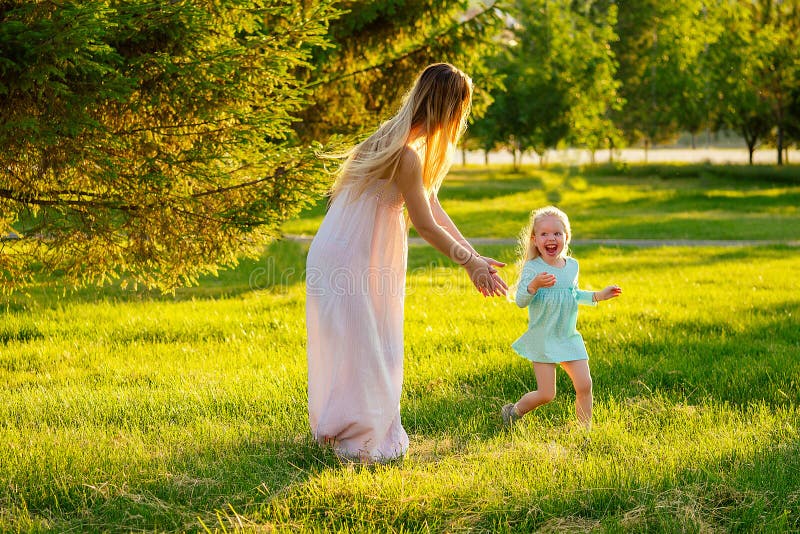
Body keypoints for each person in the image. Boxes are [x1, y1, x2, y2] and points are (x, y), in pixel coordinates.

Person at [306, 63, 508, 463]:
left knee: (361, 345)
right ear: (449, 110)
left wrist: (475, 256)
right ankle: (360, 441)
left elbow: (432, 205)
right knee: (368, 347)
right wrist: (469, 265)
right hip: (353, 258)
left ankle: (341, 431)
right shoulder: (405, 154)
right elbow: (425, 226)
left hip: (342, 252)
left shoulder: (392, 138)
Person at [501, 206, 621, 429]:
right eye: (544, 234)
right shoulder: (532, 267)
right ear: (535, 240)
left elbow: (573, 294)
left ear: (566, 237)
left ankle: (584, 433)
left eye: (557, 233)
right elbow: (520, 301)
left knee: (585, 385)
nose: (551, 238)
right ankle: (513, 411)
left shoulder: (572, 266)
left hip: (567, 336)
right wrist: (534, 285)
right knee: (547, 394)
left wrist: (599, 295)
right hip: (544, 338)